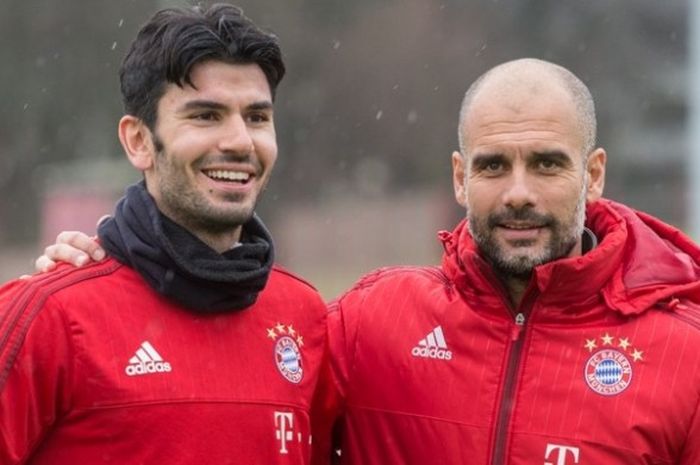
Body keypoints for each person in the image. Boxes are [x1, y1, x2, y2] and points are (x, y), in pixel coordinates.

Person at [37, 58, 700, 465]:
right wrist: (114, 261)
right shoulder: (373, 321)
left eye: (548, 164)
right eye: (495, 165)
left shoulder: (684, 356)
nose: (519, 191)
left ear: (594, 174)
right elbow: (234, 370)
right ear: (461, 178)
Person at [0, 4, 329, 464]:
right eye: (206, 116)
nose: (239, 142)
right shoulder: (47, 316)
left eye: (256, 117)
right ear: (138, 141)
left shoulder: (306, 316)